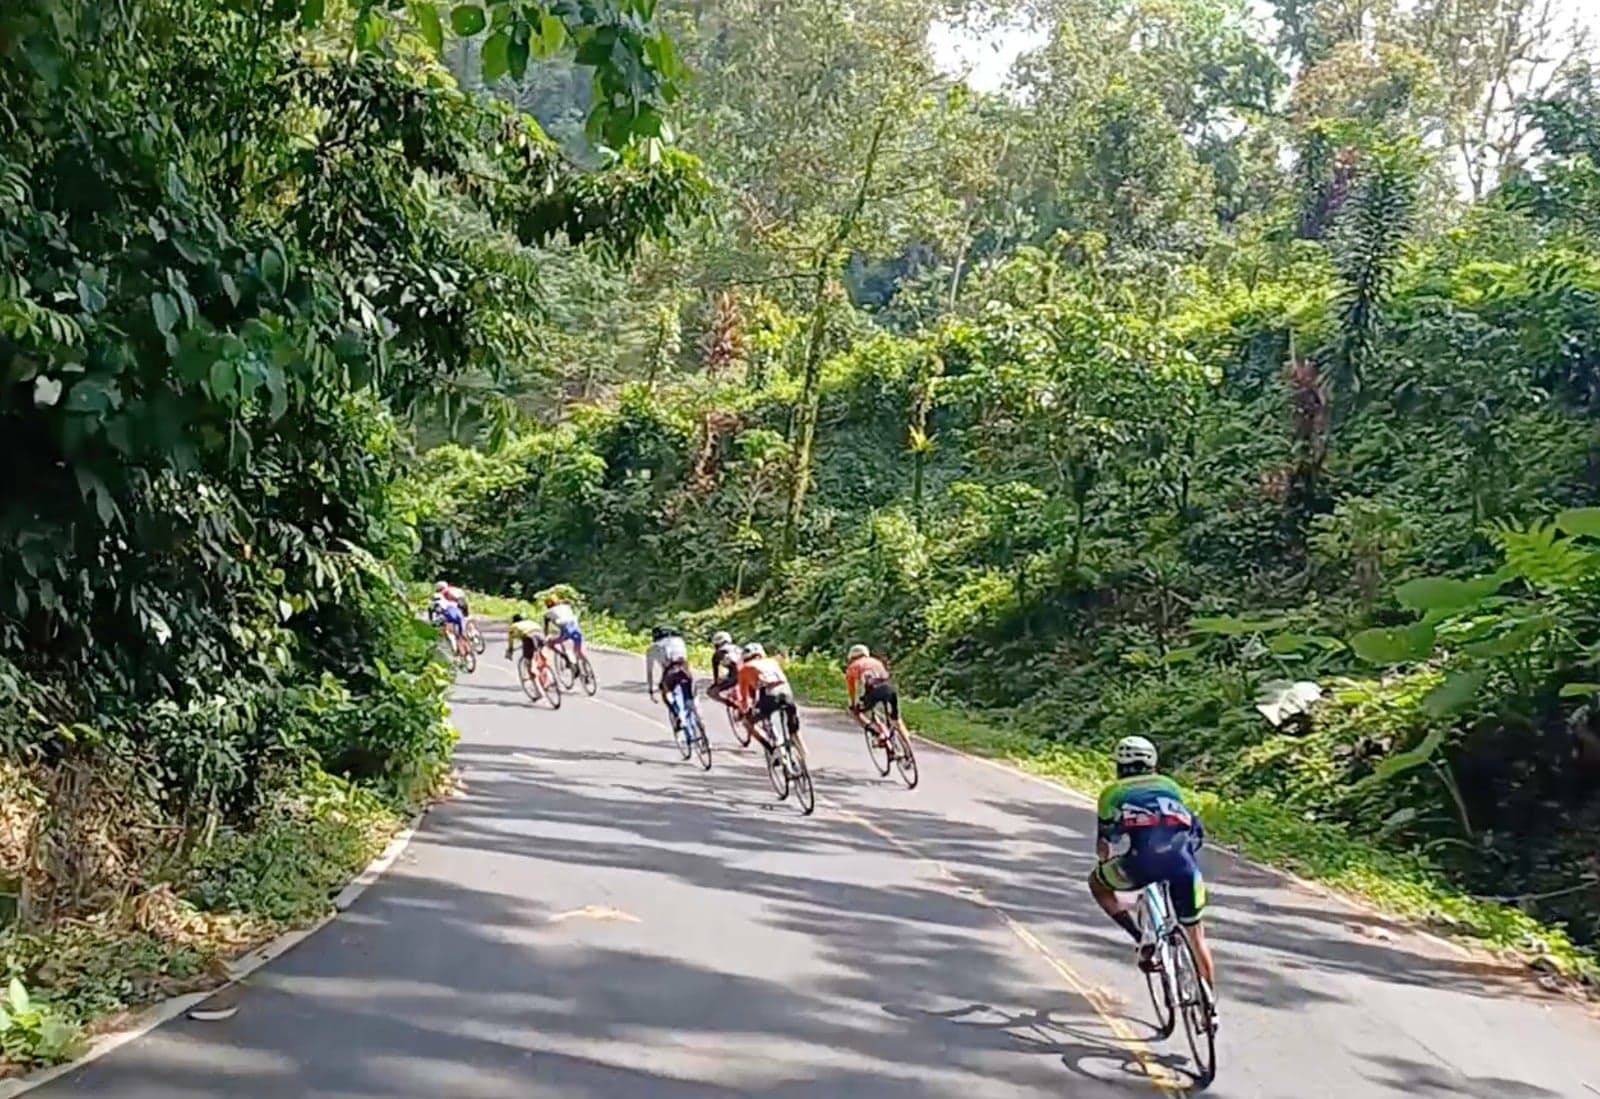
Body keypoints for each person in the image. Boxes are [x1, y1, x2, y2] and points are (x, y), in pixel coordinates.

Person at [1088, 735, 1215, 994]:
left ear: (1119, 765)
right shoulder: (1170, 785)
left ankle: (1141, 937)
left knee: (1097, 884)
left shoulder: (1112, 793)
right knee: (1197, 937)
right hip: (1183, 865)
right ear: (1153, 763)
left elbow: (1107, 840)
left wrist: (1106, 860)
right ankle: (1209, 1008)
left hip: (1139, 864)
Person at [736, 642, 802, 756]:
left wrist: (743, 711)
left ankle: (772, 749)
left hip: (770, 696)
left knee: (748, 722)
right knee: (792, 724)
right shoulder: (772, 662)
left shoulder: (744, 669)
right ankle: (799, 748)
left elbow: (744, 699)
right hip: (787, 694)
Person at [845, 643, 905, 745]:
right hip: (890, 688)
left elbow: (852, 689)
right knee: (896, 720)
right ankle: (908, 746)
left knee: (857, 713)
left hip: (874, 692)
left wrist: (853, 704)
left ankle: (879, 733)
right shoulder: (877, 662)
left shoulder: (852, 667)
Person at [645, 625, 694, 731]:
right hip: (684, 670)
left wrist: (651, 690)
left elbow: (650, 672)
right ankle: (696, 716)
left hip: (669, 673)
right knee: (690, 697)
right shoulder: (679, 641)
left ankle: (677, 715)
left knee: (665, 692)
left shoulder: (652, 648)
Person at [506, 612, 550, 693]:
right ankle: (548, 677)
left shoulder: (513, 626)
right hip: (540, 635)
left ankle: (538, 690)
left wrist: (510, 650)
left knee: (529, 663)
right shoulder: (531, 622)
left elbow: (510, 640)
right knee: (541, 656)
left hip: (529, 637)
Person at [706, 630, 743, 712]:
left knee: (711, 692)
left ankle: (733, 704)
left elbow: (716, 672)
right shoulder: (738, 648)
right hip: (748, 673)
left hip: (735, 675)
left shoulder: (718, 653)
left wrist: (716, 683)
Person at [543, 594, 585, 664]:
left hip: (566, 631)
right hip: (577, 628)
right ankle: (584, 666)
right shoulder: (566, 607)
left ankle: (565, 657)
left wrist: (546, 637)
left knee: (550, 643)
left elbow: (546, 629)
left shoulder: (548, 613)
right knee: (578, 651)